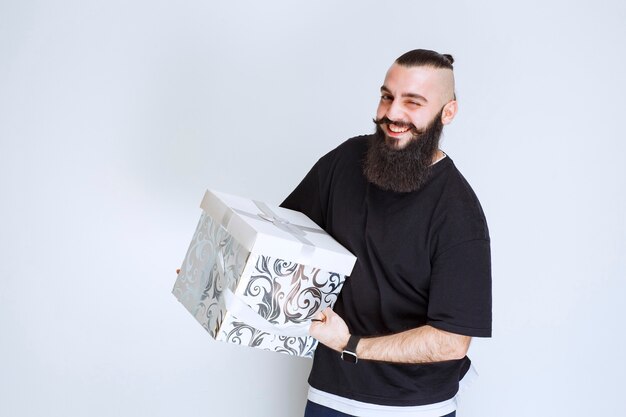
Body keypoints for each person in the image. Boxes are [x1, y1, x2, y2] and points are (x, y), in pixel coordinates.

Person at [280, 49, 492, 417]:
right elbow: (284, 237)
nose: (393, 114)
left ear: (448, 112)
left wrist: (350, 345)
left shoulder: (459, 213)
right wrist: (220, 272)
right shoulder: (345, 160)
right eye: (387, 97)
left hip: (416, 407)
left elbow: (452, 342)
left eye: (413, 103)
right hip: (328, 396)